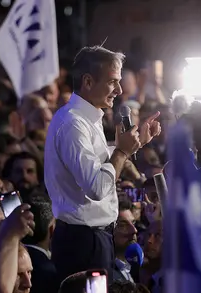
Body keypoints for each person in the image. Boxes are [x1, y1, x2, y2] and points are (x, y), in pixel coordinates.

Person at [44, 45, 161, 283]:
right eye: (112, 82)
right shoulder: (73, 125)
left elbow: (96, 162)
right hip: (83, 244)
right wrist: (121, 150)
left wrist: (134, 145)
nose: (119, 90)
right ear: (88, 81)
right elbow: (96, 187)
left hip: (93, 239)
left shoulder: (87, 118)